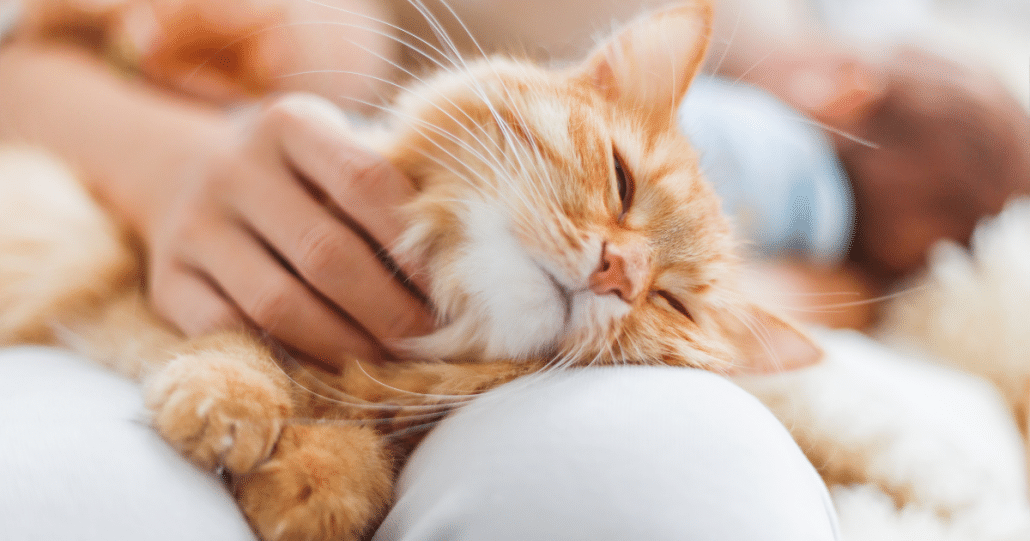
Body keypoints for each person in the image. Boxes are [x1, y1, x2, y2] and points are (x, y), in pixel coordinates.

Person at [0, 0, 1026, 538]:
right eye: (624, 188)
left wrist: (760, 315)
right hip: (142, 188)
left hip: (547, 395)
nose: (623, 267)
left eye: (656, 288)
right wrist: (172, 162)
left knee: (675, 485)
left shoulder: (851, 77)